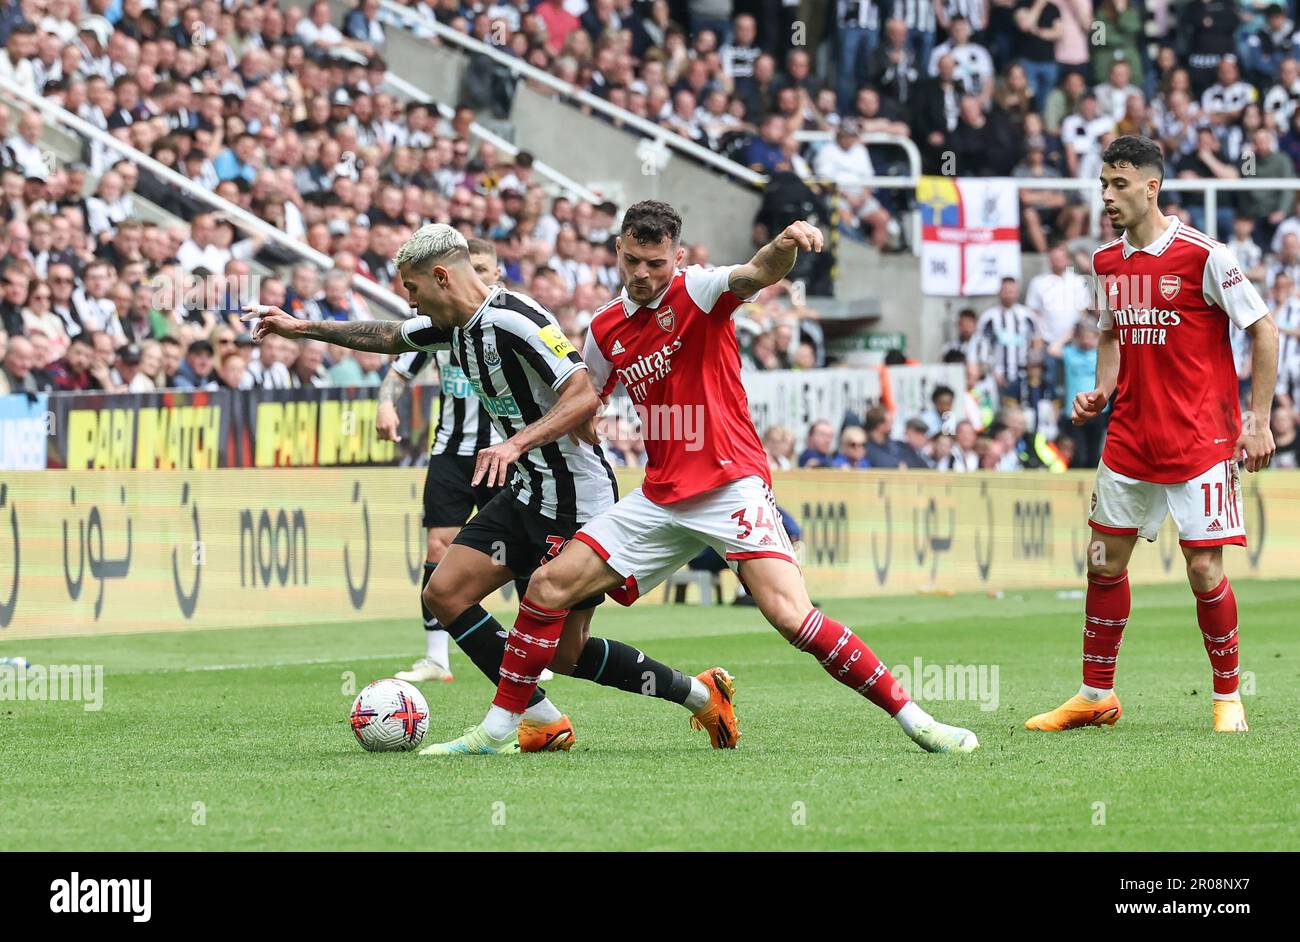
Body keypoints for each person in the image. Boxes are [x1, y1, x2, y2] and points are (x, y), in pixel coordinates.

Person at [427, 201, 978, 756]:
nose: (645, 275)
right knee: (545, 588)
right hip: (662, 495)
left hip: (729, 483)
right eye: (635, 261)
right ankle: (498, 730)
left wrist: (786, 243)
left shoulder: (701, 291)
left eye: (658, 264)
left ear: (678, 258)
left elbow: (756, 272)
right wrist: (576, 425)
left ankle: (918, 722)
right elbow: (586, 395)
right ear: (618, 250)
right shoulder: (603, 328)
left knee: (791, 617)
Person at [244, 224, 734, 756]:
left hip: (574, 498)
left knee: (567, 655)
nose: (410, 300)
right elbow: (387, 337)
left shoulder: (516, 319)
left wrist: (515, 444)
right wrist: (303, 328)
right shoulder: (453, 326)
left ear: (439, 277)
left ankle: (699, 694)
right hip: (526, 492)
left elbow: (583, 396)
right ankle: (542, 719)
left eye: (412, 288)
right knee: (444, 592)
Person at [1026, 135, 1278, 735]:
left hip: (1200, 440)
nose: (1108, 197)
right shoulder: (1106, 262)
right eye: (1103, 185)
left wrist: (1259, 420)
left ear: (1151, 186)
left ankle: (1226, 700)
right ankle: (1096, 696)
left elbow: (1265, 332)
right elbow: (1112, 333)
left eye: (1119, 185)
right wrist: (1102, 389)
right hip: (1130, 439)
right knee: (1102, 562)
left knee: (1203, 571)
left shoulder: (1204, 255)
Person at [372, 239, 510, 685]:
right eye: (476, 267)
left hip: (505, 453)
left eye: (487, 269)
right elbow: (399, 370)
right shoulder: (437, 324)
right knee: (437, 548)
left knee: (527, 555)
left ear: (497, 273)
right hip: (451, 453)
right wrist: (385, 404)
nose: (482, 275)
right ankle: (437, 659)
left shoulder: (509, 321)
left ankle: (531, 650)